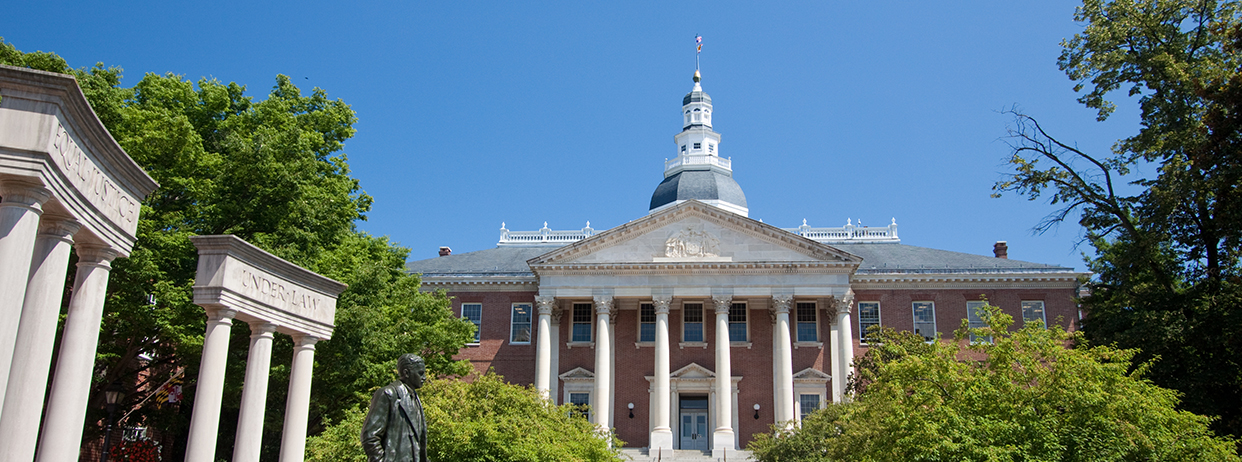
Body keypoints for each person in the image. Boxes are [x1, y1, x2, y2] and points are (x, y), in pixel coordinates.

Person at [361, 353, 428, 462]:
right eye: (420, 373)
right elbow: (370, 436)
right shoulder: (388, 394)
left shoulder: (415, 397)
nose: (424, 377)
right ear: (406, 373)